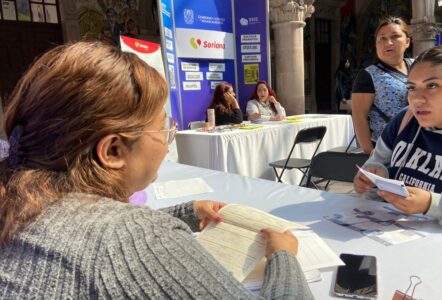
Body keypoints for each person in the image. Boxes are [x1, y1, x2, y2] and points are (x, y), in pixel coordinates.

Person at [0, 41, 313, 299]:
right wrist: (283, 258)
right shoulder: (133, 241)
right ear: (113, 151)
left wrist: (183, 213)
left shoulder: (20, 203)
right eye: (163, 128)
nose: (168, 143)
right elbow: (120, 244)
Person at [354, 45, 442, 233]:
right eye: (411, 88)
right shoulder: (405, 119)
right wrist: (374, 177)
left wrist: (432, 203)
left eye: (432, 86)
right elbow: (376, 165)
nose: (417, 100)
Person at [351, 16, 413, 154]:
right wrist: (369, 153)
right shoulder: (368, 75)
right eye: (382, 38)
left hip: (422, 144)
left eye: (395, 36)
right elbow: (359, 117)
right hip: (388, 149)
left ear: (407, 41)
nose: (388, 42)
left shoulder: (418, 66)